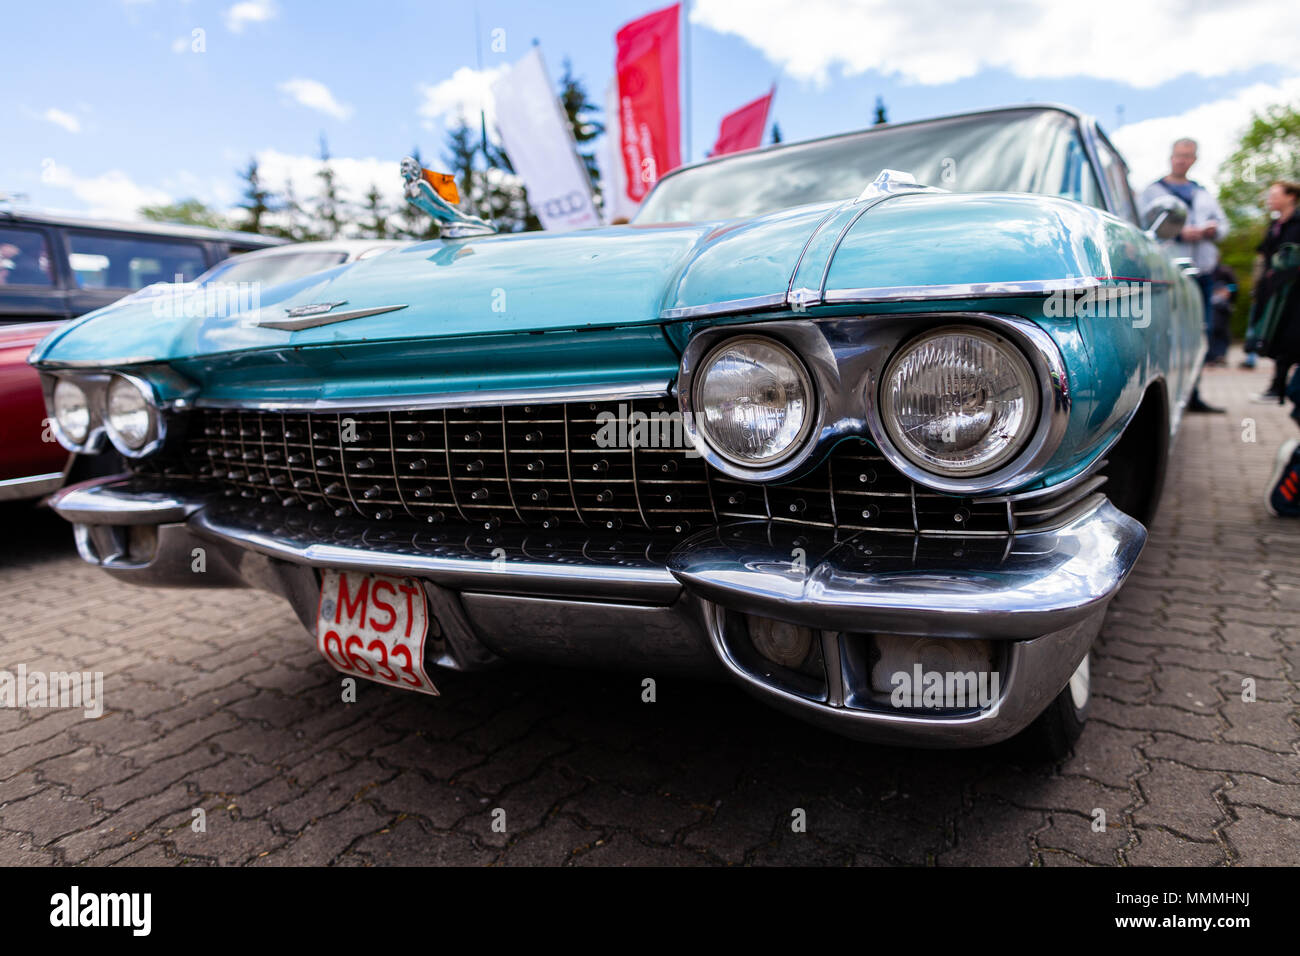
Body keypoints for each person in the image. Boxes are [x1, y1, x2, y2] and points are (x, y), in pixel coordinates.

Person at [1139, 138, 1229, 413]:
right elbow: (1142, 227)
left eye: (1188, 156)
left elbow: (1224, 226)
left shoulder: (1203, 193)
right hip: (1169, 272)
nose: (1182, 160)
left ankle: (1193, 392)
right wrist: (1179, 233)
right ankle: (1161, 396)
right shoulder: (1153, 191)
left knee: (1202, 331)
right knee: (1167, 331)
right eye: (1178, 155)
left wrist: (1212, 230)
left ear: (1194, 159)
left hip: (1201, 272)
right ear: (1171, 157)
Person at [1248, 180, 1300, 404]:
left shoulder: (1297, 224)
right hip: (1275, 290)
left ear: (1290, 197)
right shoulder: (1275, 225)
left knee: (1290, 336)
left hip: (1294, 292)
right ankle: (1278, 386)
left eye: (1274, 195)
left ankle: (1281, 387)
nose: (1270, 199)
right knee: (1275, 335)